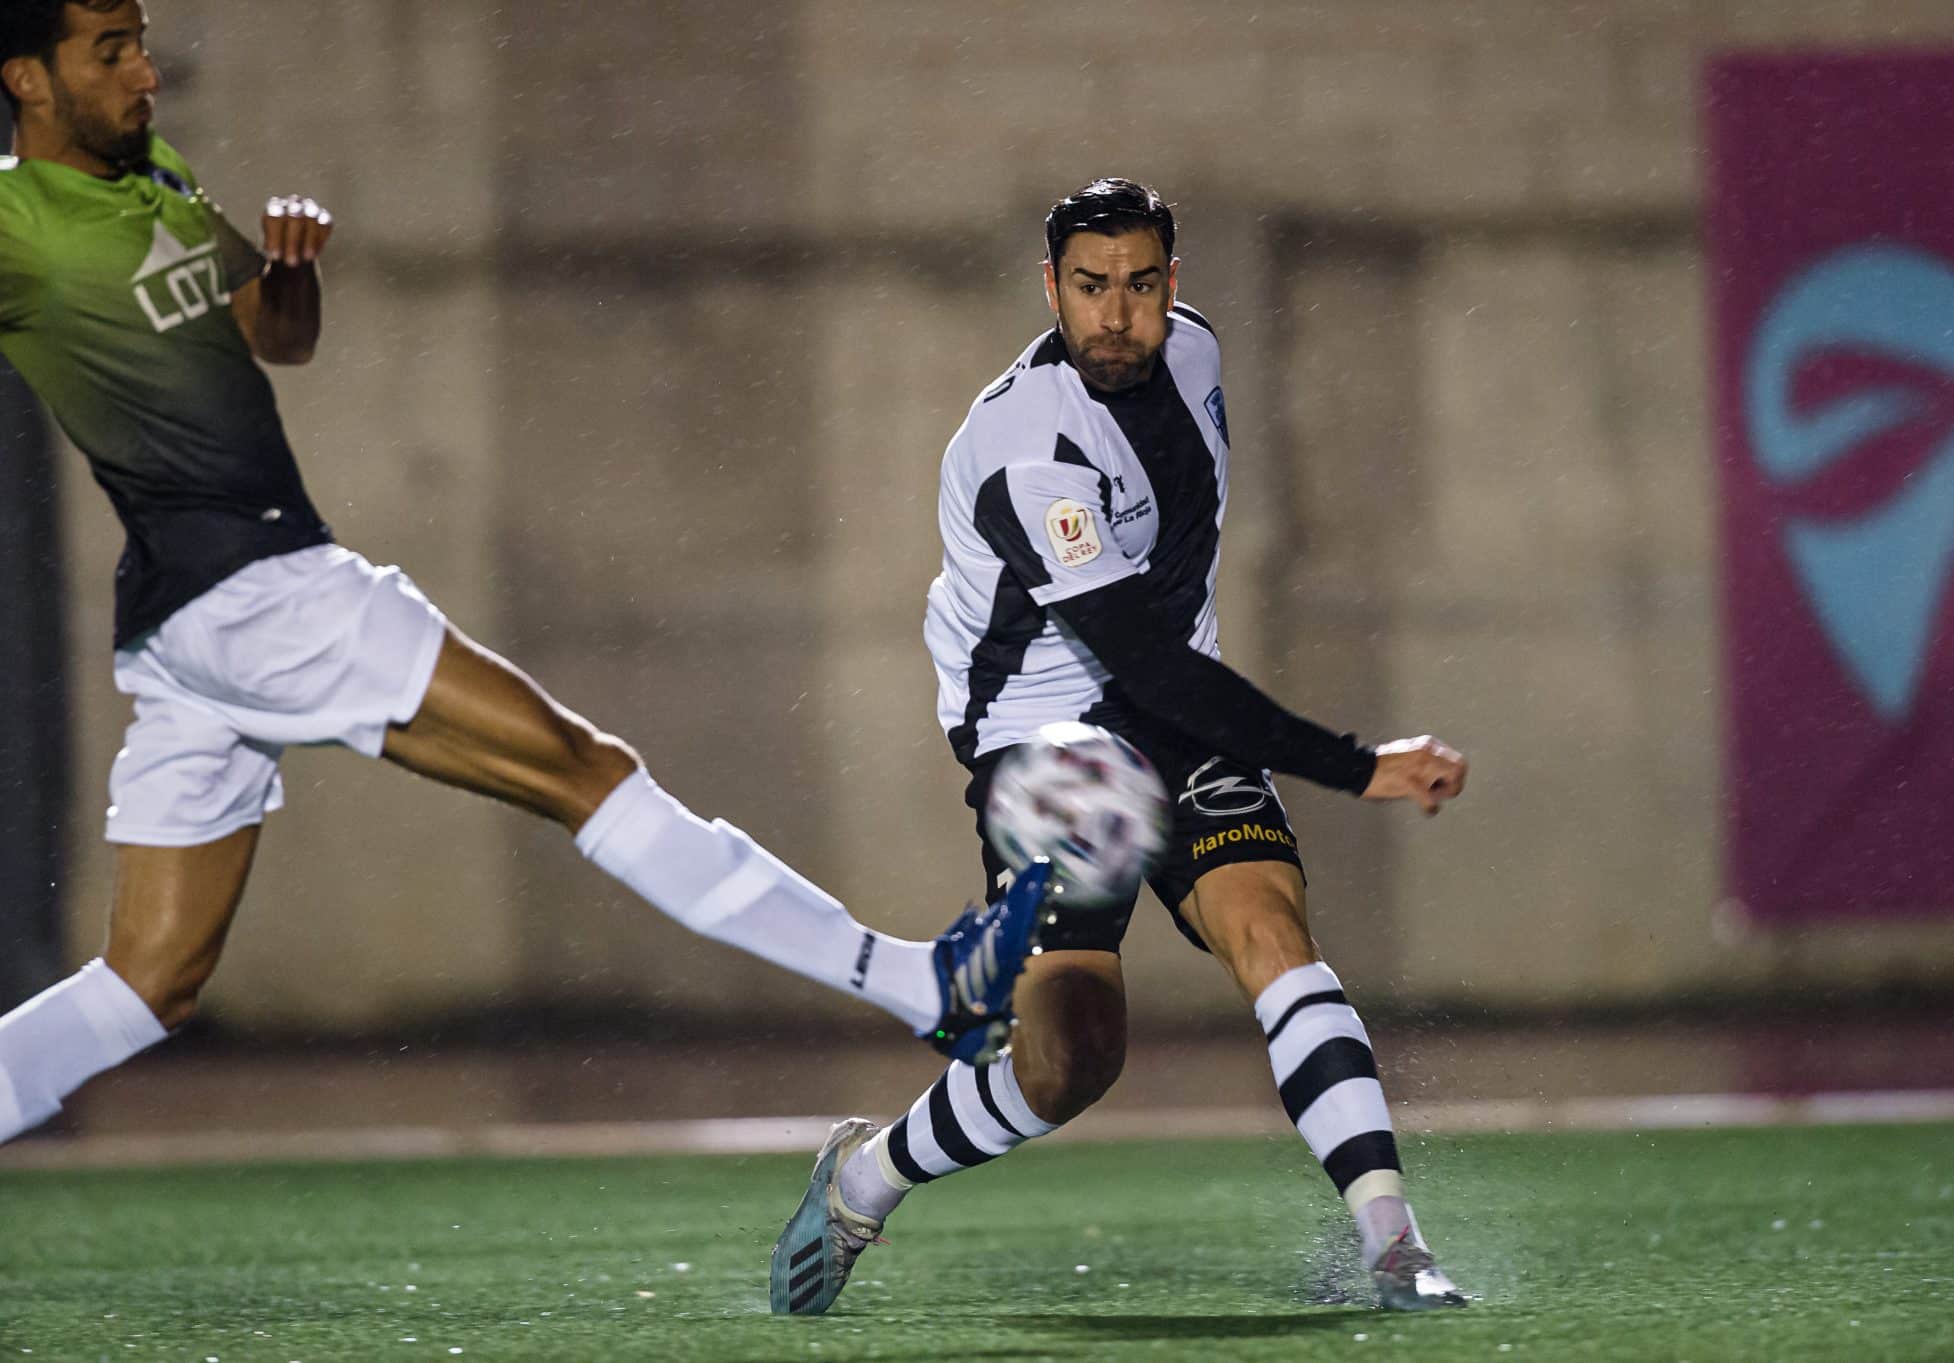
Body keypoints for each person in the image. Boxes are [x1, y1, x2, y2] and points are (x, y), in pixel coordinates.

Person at [0, 0, 1051, 1147]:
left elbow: (276, 335)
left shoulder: (150, 174)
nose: (146, 72)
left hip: (190, 625)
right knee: (583, 772)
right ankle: (915, 982)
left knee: (147, 981)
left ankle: (917, 982)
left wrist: (291, 271)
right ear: (27, 78)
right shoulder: (16, 220)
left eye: (141, 43)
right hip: (262, 593)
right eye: (111, 52)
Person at [769, 179, 1471, 1315]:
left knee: (1273, 934)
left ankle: (1393, 1243)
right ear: (1049, 288)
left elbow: (1165, 651)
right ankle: (862, 1178)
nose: (1116, 314)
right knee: (1068, 1064)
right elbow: (1139, 660)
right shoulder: (1024, 448)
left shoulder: (1196, 352)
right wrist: (1353, 764)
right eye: (1090, 287)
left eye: (1141, 285)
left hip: (1173, 715)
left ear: (1172, 284)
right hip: (1046, 745)